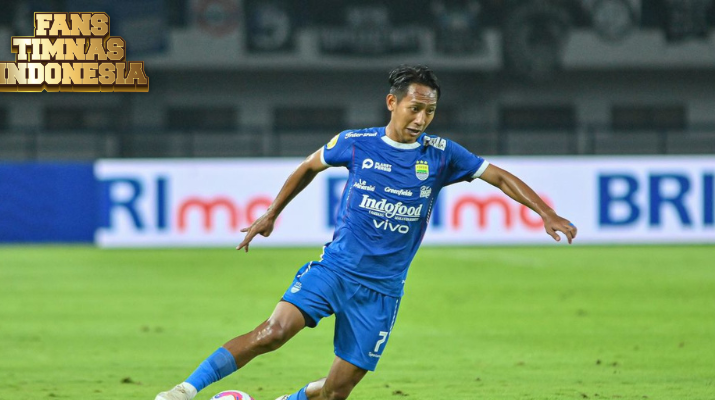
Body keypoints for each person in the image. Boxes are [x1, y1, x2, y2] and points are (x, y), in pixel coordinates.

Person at [155, 65, 577, 400]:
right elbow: (308, 167)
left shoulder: (443, 155)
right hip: (335, 270)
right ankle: (182, 391)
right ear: (392, 102)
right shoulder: (356, 143)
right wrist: (271, 214)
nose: (421, 119)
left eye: (430, 111)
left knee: (336, 391)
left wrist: (546, 212)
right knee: (273, 333)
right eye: (414, 108)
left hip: (382, 291)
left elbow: (498, 176)